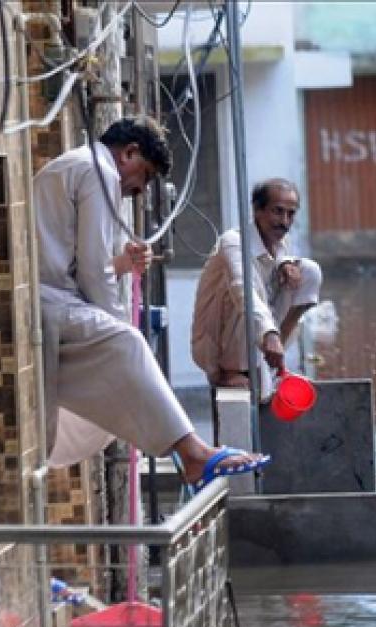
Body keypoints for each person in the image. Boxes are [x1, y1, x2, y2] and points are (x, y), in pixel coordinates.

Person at [35, 116, 267, 491]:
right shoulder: (99, 171)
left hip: (50, 299)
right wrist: (121, 329)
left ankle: (191, 451)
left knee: (121, 373)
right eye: (144, 176)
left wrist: (121, 265)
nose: (138, 190)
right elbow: (93, 272)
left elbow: (81, 265)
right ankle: (194, 454)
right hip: (47, 302)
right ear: (130, 153)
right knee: (127, 344)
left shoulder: (78, 164)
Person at [191, 178, 322, 396]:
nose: (284, 221)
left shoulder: (281, 244)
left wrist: (284, 263)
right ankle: (231, 369)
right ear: (257, 210)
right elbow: (243, 290)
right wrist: (269, 334)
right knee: (248, 290)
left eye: (290, 214)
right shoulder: (233, 241)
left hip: (259, 342)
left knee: (309, 271)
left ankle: (273, 361)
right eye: (277, 211)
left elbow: (280, 256)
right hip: (216, 348)